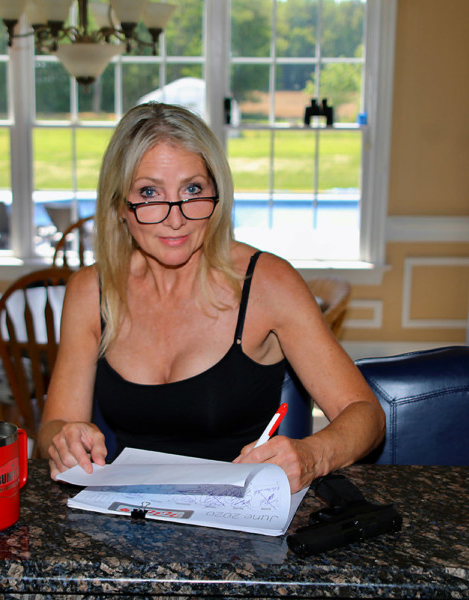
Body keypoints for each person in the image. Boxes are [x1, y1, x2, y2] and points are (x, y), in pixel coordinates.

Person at [38, 102, 385, 493]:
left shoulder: (267, 283)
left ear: (217, 193)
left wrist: (313, 455)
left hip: (238, 515)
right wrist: (63, 439)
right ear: (120, 204)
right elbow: (54, 425)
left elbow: (366, 415)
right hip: (129, 511)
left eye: (193, 190)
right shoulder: (90, 291)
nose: (175, 219)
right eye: (149, 192)